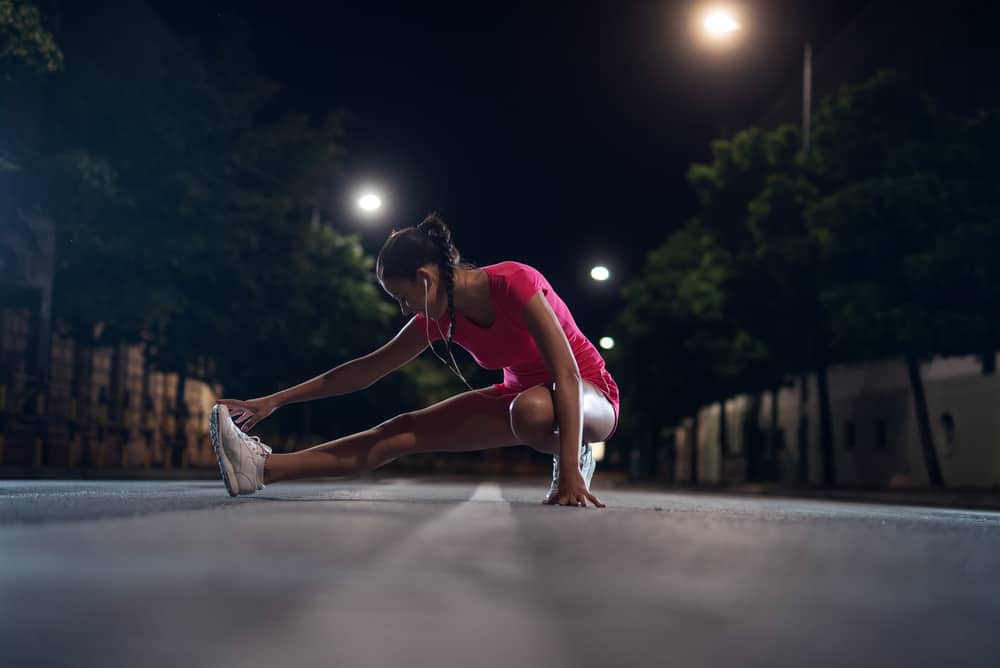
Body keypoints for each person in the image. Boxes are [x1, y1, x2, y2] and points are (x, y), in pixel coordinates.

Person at [210, 213, 620, 507]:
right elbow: (365, 370)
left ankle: (576, 454)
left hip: (588, 395)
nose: (405, 310)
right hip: (519, 399)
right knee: (400, 431)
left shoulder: (515, 283)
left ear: (424, 278)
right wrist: (273, 401)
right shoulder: (437, 317)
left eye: (402, 297)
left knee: (530, 410)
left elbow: (565, 374)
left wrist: (567, 471)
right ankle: (262, 469)